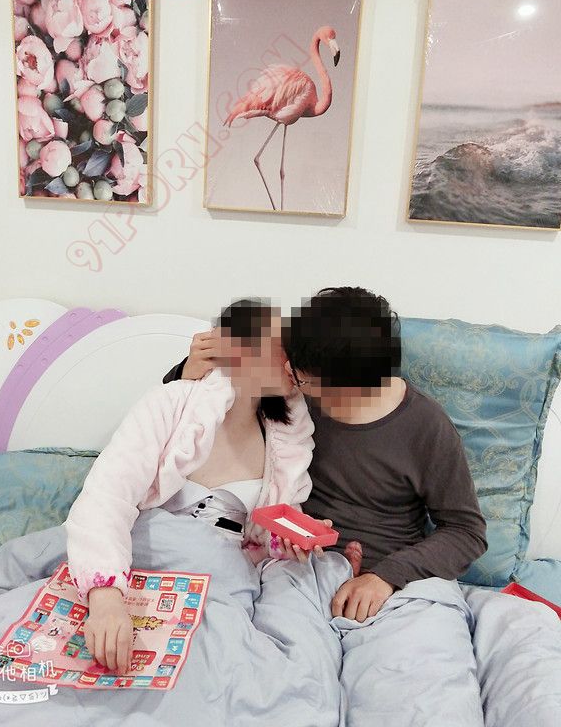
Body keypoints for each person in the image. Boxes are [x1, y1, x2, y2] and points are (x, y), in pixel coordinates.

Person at [163, 286, 488, 621]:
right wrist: (187, 372)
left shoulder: (426, 427)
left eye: (304, 381)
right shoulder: (293, 393)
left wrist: (386, 577)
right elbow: (194, 413)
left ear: (352, 387)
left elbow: (466, 532)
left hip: (393, 587)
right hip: (298, 572)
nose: (291, 378)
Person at [65, 297, 321, 677]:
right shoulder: (170, 404)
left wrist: (289, 540)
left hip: (219, 582)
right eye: (278, 346)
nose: (291, 359)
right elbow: (107, 496)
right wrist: (105, 599)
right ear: (234, 349)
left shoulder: (286, 438)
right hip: (141, 559)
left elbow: (268, 530)